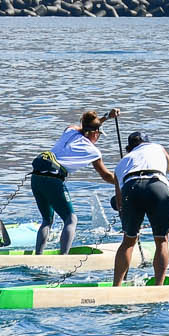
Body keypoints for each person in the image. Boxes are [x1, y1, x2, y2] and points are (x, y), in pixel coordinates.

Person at [31, 109, 117, 255]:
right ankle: (64, 258)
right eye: (99, 134)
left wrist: (106, 118)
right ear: (95, 133)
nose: (98, 138)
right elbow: (106, 176)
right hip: (53, 180)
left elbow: (83, 127)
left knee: (47, 220)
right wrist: (122, 182)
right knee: (71, 219)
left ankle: (38, 256)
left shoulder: (70, 131)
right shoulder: (93, 151)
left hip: (36, 178)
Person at [112, 131, 169, 286]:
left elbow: (120, 204)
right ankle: (158, 286)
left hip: (131, 188)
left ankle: (116, 286)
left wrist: (128, 222)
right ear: (147, 142)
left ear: (129, 148)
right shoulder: (157, 147)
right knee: (162, 240)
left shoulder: (122, 163)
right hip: (157, 185)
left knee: (128, 241)